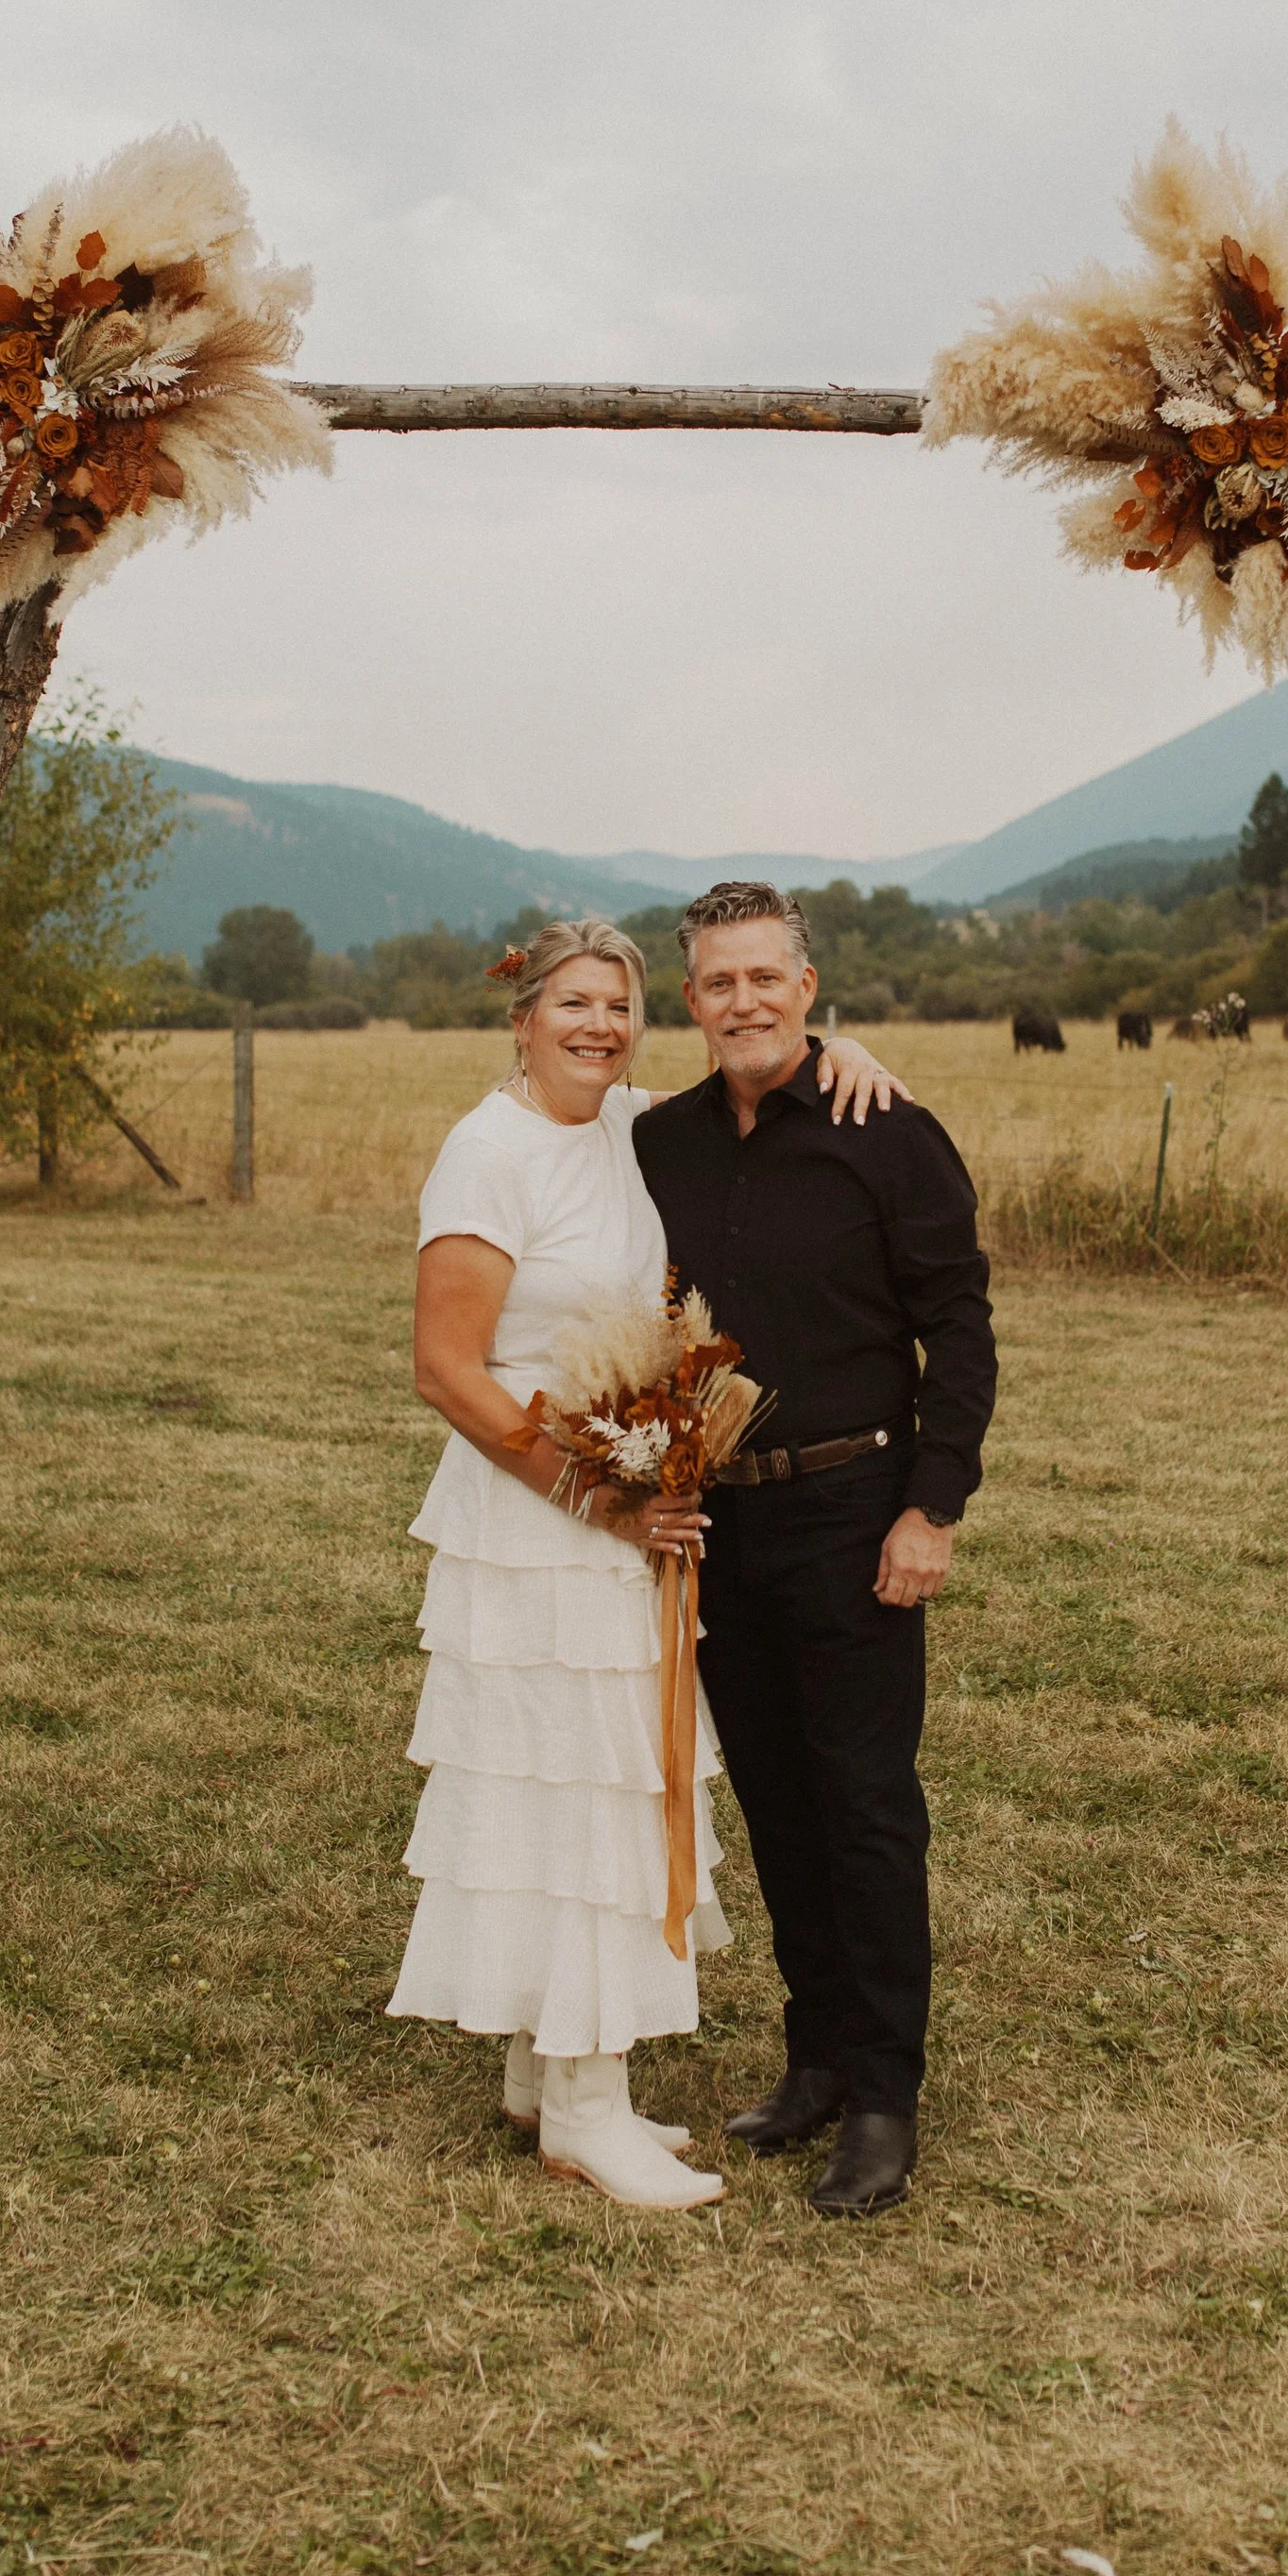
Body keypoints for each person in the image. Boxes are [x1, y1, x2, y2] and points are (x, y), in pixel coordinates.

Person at [388, 917, 906, 2212]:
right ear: (521, 1015)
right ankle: (586, 2108)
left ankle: (537, 2067)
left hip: (622, 1506)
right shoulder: (486, 1154)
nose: (598, 1026)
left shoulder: (627, 1128)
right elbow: (447, 1368)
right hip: (539, 1514)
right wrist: (594, 1492)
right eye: (573, 1002)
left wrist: (853, 1054)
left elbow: (753, 1066)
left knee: (594, 1776)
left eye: (619, 1005)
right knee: (576, 1788)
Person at [632, 881, 997, 2219]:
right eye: (718, 983)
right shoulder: (658, 1143)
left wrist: (932, 1507)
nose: (743, 1002)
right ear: (691, 1002)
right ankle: (818, 2059)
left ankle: (888, 2097)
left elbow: (958, 1330)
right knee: (778, 1802)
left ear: (808, 985)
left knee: (864, 1807)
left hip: (857, 1510)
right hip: (722, 1520)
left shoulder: (885, 1132)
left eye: (765, 979)